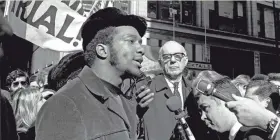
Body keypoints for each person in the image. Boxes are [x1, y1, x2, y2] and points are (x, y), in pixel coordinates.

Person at [35, 7, 153, 140]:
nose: (141, 49)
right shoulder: (64, 104)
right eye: (131, 41)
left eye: (140, 43)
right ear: (102, 51)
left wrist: (135, 114)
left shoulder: (126, 101)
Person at [140, 41, 209, 140]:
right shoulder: (148, 91)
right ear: (160, 63)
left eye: (178, 56)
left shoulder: (194, 91)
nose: (172, 60)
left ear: (185, 61)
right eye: (166, 57)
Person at [193, 70, 268, 140]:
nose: (202, 117)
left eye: (205, 108)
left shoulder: (253, 136)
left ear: (224, 101)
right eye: (200, 111)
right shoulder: (227, 135)